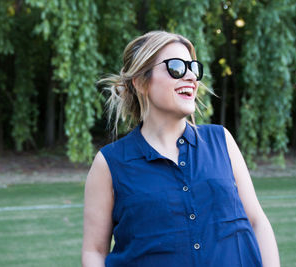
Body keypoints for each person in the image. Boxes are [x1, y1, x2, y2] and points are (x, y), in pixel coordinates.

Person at [82, 31, 280, 267]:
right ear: (141, 82)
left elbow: (256, 221)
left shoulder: (221, 141)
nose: (190, 77)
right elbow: (94, 251)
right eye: (176, 67)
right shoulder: (109, 163)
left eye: (193, 68)